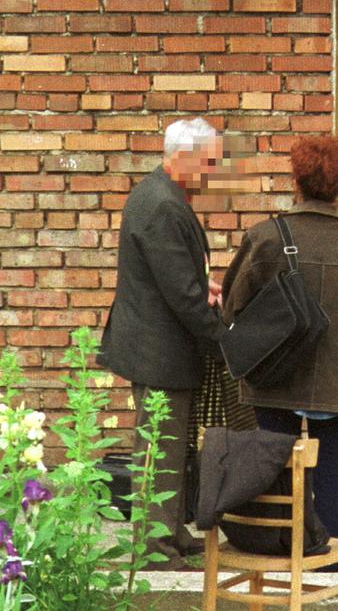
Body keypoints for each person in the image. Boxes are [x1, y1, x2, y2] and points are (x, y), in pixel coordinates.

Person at [221, 135, 338, 541]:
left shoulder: (264, 238)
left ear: (295, 182)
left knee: (273, 472)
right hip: (337, 384)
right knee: (330, 476)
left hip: (273, 380)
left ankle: (276, 555)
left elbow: (232, 307)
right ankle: (327, 570)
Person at [98, 117, 224, 570]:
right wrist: (222, 337)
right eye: (209, 162)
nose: (212, 171)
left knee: (171, 447)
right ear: (183, 156)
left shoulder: (160, 194)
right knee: (159, 449)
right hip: (159, 351)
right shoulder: (163, 205)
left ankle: (171, 531)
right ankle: (154, 548)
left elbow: (177, 280)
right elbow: (182, 296)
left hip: (161, 347)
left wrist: (202, 288)